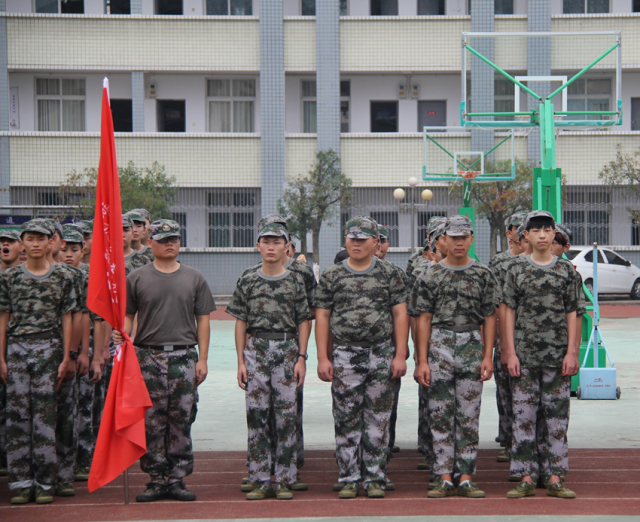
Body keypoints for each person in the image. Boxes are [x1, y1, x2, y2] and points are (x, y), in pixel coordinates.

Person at [113, 219, 215, 502]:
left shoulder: (194, 278)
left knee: (182, 418)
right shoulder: (137, 278)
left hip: (183, 356)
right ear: (150, 243)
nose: (170, 243)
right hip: (147, 356)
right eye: (164, 239)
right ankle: (156, 478)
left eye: (174, 239)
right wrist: (121, 334)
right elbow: (128, 315)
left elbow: (203, 321)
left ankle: (177, 478)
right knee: (152, 420)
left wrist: (202, 359)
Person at [315, 216, 408, 500]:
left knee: (378, 418)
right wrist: (322, 357)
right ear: (346, 240)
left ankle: (375, 476)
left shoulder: (390, 273)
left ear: (375, 242)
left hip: (381, 351)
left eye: (363, 239)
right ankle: (348, 476)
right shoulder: (332, 275)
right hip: (345, 352)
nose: (356, 244)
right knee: (346, 417)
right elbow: (322, 316)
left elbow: (400, 313)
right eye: (352, 239)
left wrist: (401, 354)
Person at [413, 215, 497, 499]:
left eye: (464, 237)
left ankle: (466, 476)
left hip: (472, 342)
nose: (459, 242)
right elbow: (423, 319)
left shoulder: (484, 274)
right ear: (443, 240)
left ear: (471, 239)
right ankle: (444, 476)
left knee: (469, 415)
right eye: (454, 237)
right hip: (440, 344)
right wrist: (422, 360)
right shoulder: (430, 275)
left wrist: (488, 355)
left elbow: (489, 317)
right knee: (440, 413)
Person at [228, 222, 311, 501]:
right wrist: (240, 360)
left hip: (287, 350)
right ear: (258, 245)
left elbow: (303, 320)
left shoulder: (295, 279)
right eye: (266, 241)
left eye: (277, 242)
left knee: (286, 417)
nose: (271, 247)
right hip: (256, 350)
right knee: (257, 416)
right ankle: (261, 477)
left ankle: (286, 477)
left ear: (286, 246)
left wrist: (301, 357)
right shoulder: (248, 278)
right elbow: (240, 322)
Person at [501, 210, 579, 500]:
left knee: (557, 419)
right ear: (527, 237)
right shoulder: (515, 270)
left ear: (554, 234)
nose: (543, 235)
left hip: (558, 358)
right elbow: (507, 311)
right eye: (537, 231)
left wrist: (572, 352)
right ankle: (526, 476)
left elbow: (573, 312)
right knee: (523, 417)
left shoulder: (566, 271)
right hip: (524, 356)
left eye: (548, 230)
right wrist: (509, 352)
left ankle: (555, 476)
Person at [0, 219, 77, 504]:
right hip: (17, 348)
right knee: (18, 417)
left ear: (49, 242)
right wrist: (1, 357)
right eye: (29, 238)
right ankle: (21, 482)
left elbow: (67, 317)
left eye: (40, 239)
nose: (35, 243)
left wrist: (67, 356)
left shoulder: (63, 277)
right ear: (22, 244)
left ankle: (45, 482)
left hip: (49, 347)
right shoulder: (8, 278)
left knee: (45, 417)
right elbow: (3, 317)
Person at [60, 227, 103, 482]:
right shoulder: (58, 276)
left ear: (82, 251)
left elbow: (96, 317)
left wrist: (92, 353)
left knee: (85, 407)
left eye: (74, 250)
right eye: (65, 249)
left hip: (82, 349)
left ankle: (84, 460)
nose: (68, 254)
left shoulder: (89, 276)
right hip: (59, 349)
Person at [488, 212, 527, 463]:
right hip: (504, 335)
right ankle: (507, 438)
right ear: (509, 233)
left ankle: (523, 440)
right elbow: (493, 304)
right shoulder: (498, 263)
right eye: (518, 228)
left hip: (528, 335)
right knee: (504, 390)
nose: (523, 232)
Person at [0, 228, 21, 478]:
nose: (4, 246)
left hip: (17, 349)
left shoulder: (20, 278)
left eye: (9, 242)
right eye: (0, 242)